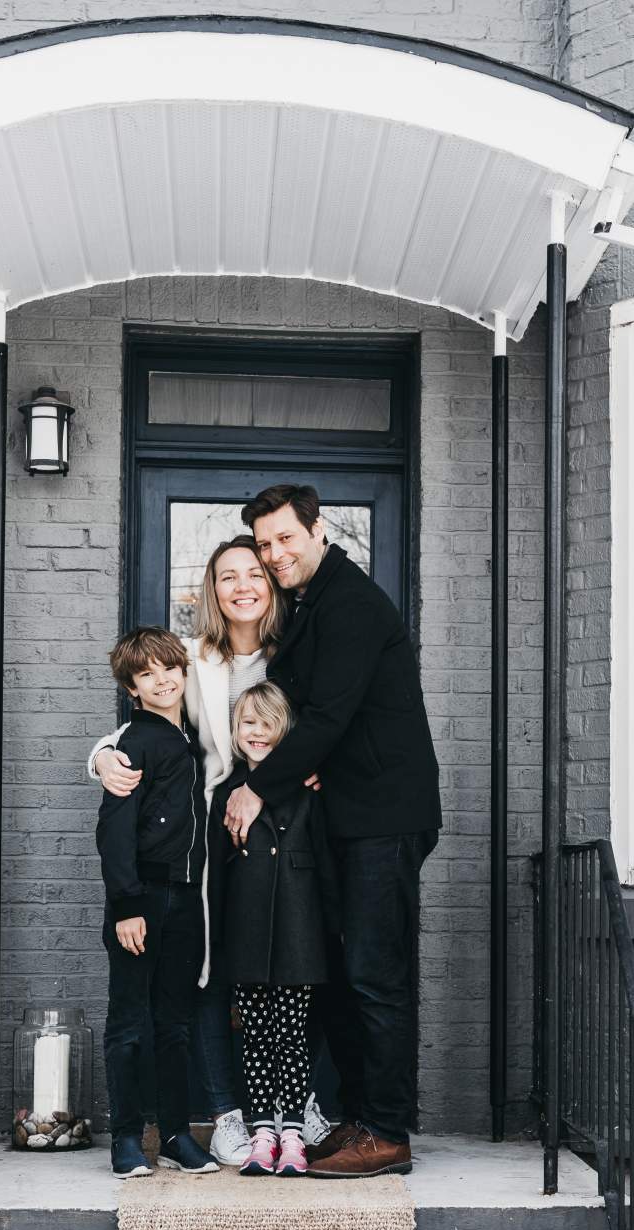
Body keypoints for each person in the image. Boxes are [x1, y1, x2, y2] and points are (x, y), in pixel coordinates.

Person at [224, 484, 442, 1179]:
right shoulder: (311, 605)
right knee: (350, 977)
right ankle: (361, 1115)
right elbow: (312, 717)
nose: (274, 554)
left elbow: (325, 718)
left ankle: (387, 1132)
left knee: (376, 975)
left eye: (285, 538)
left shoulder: (350, 603)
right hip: (348, 818)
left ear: (318, 530)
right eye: (264, 543)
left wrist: (257, 786)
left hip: (385, 817)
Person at [89, 536, 329, 1163]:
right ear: (212, 590)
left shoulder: (297, 652)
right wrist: (102, 757)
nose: (243, 586)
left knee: (297, 968)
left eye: (255, 573)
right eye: (228, 576)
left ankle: (296, 1106)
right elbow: (147, 719)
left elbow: (330, 724)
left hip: (288, 825)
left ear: (271, 585)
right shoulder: (193, 659)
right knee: (212, 976)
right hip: (209, 833)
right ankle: (225, 1114)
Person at [95, 626, 218, 1180]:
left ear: (183, 672)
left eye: (169, 668)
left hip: (187, 900)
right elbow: (114, 830)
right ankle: (126, 1138)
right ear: (132, 689)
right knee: (129, 1022)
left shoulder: (193, 739)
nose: (162, 680)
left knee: (175, 1024)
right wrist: (126, 905)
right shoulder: (133, 743)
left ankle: (174, 1136)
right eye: (146, 674)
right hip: (141, 899)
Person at [209, 683, 337, 1177]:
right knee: (256, 1035)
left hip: (299, 933)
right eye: (248, 723)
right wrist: (218, 938)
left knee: (292, 1034)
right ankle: (263, 1131)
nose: (257, 732)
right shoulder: (228, 793)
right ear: (235, 730)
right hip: (246, 933)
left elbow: (325, 862)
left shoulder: (306, 788)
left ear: (284, 731)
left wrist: (333, 927)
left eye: (268, 724)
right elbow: (219, 875)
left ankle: (293, 1134)